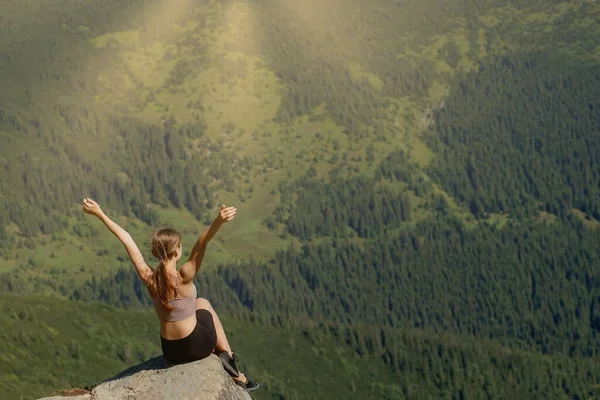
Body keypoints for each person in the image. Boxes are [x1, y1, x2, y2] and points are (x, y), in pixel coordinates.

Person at [81, 197, 259, 392]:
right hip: (196, 346)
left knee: (198, 304)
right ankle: (230, 361)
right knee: (204, 303)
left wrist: (100, 214)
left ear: (156, 252)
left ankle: (230, 363)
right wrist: (219, 220)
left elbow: (127, 239)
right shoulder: (184, 275)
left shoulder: (150, 278)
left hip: (171, 351)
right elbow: (202, 242)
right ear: (177, 251)